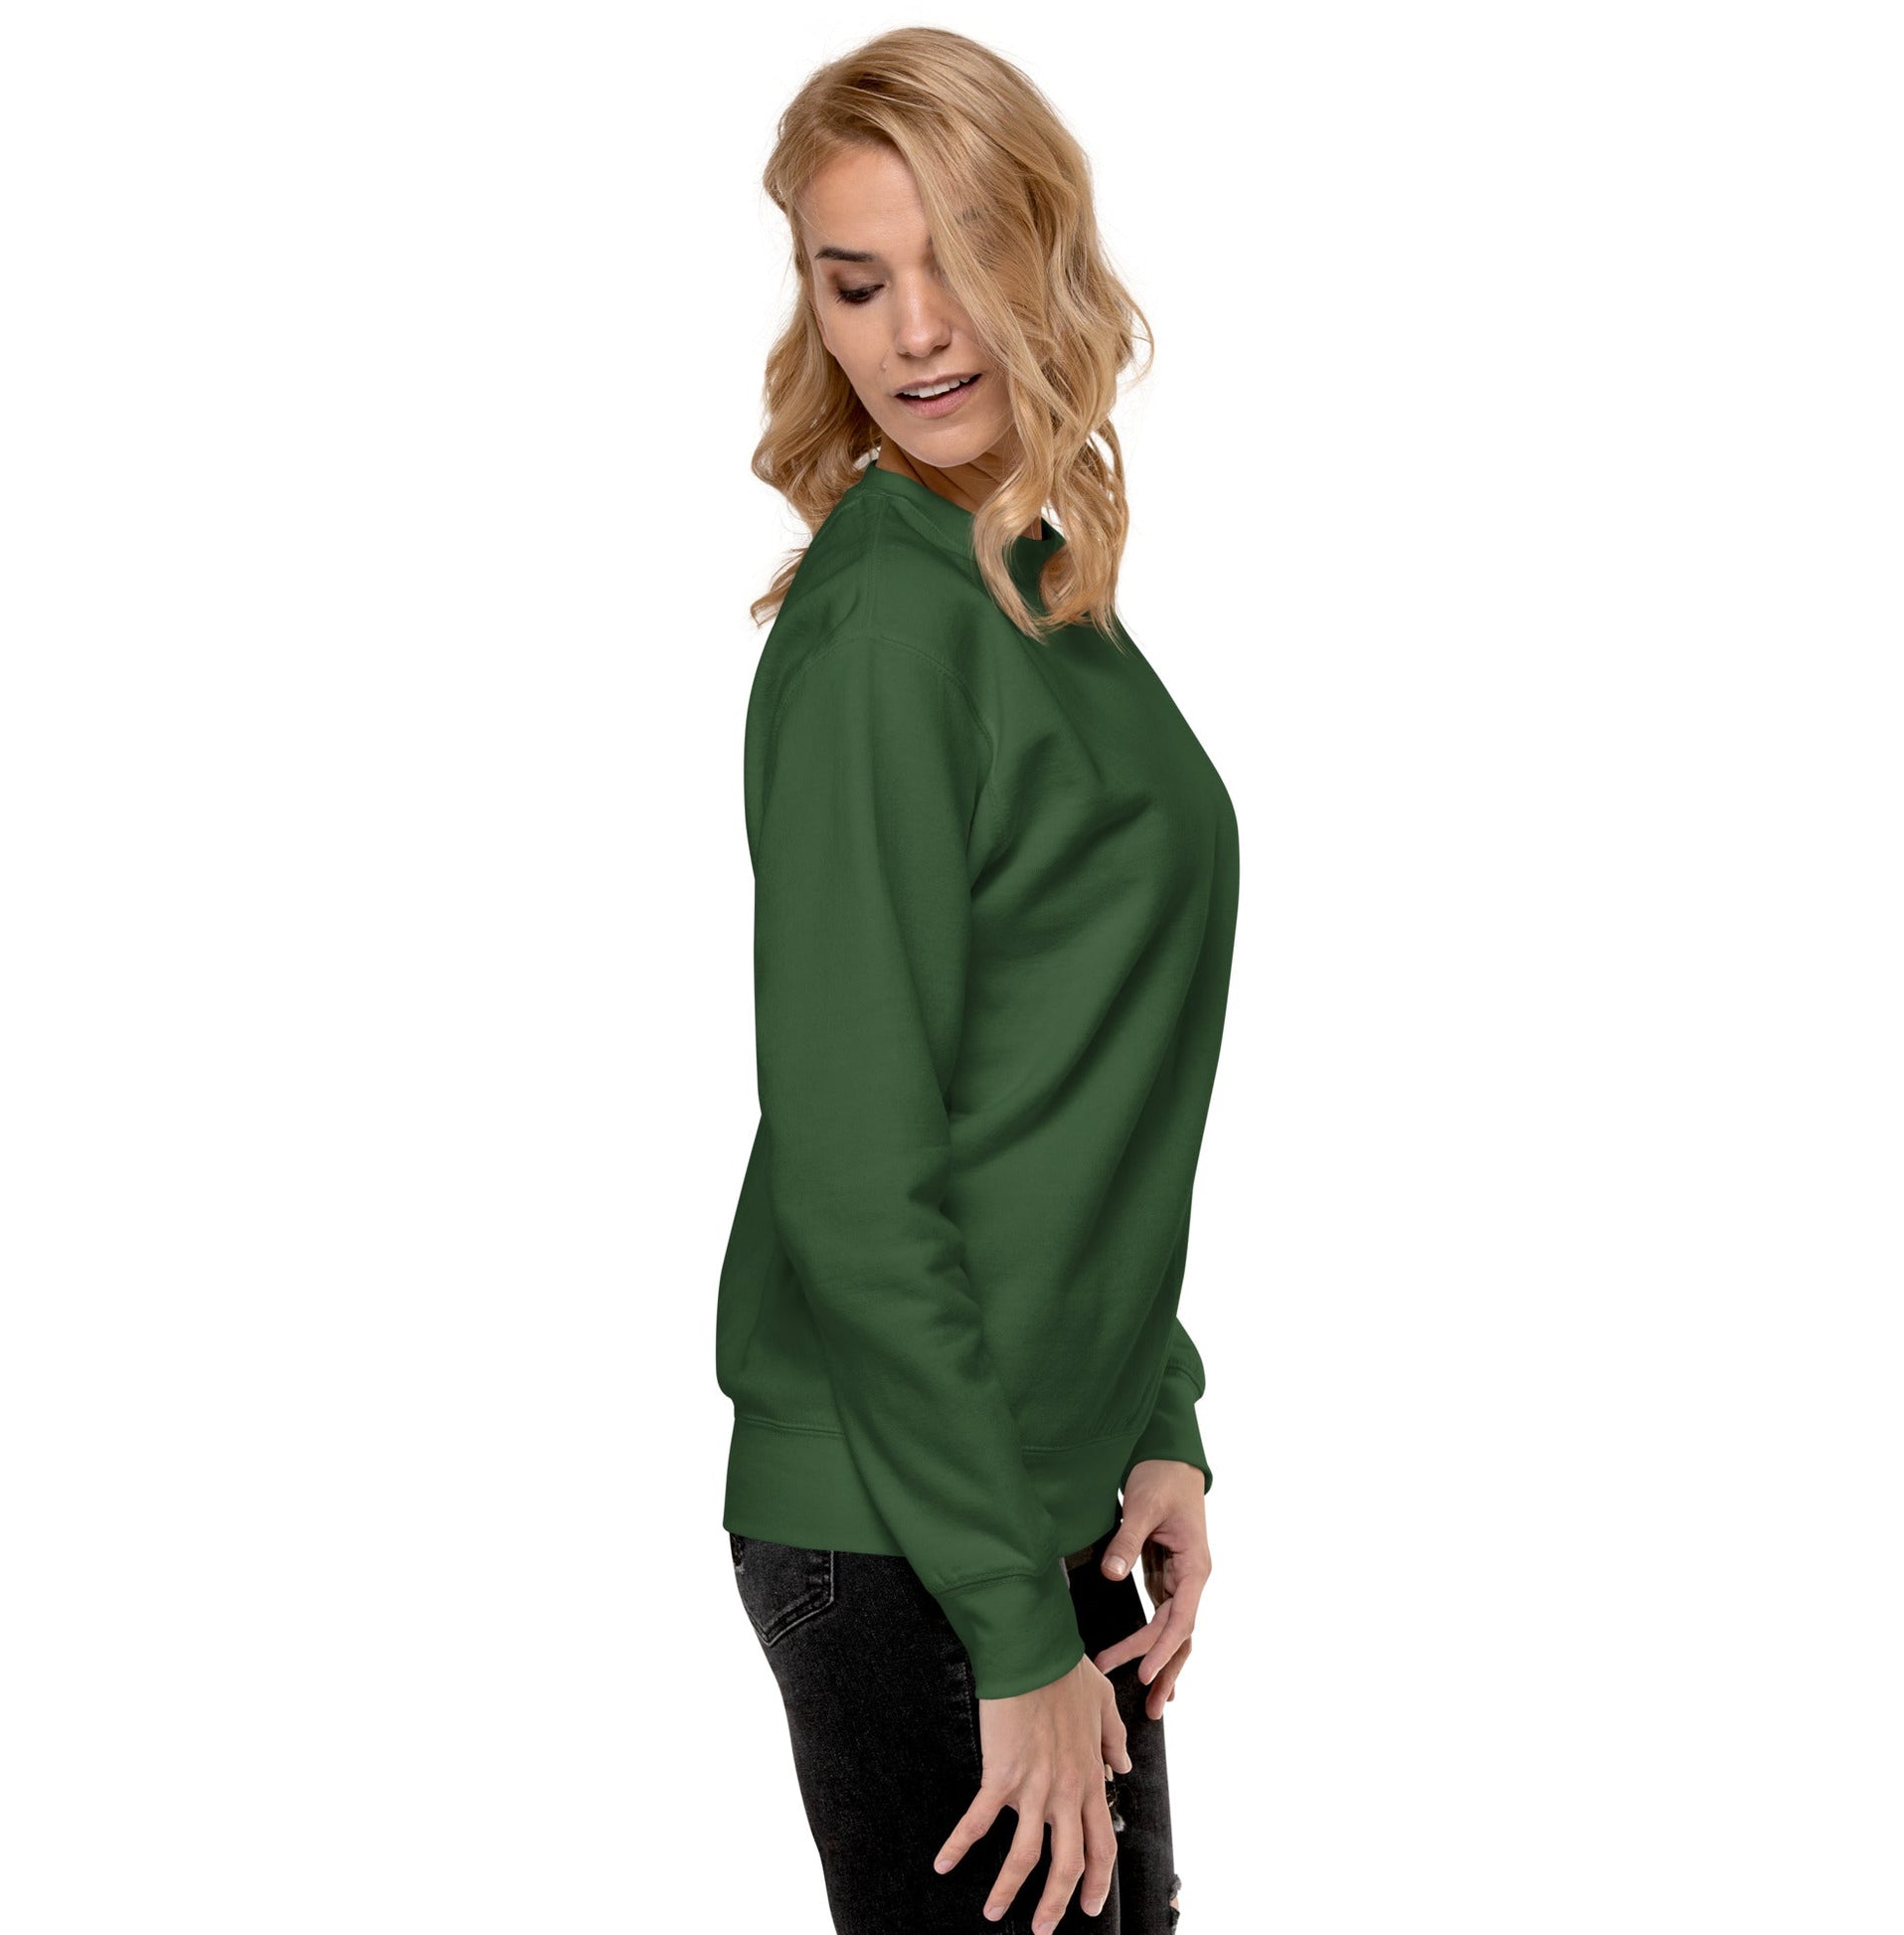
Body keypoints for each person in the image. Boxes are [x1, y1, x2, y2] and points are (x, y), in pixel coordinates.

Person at [715, 28, 1239, 1935]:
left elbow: (1063, 1064)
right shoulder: (885, 627)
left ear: (1045, 254)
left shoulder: (1022, 573)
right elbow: (859, 1178)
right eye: (856, 281)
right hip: (919, 1530)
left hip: (1030, 1485)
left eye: (958, 261)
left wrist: (1155, 1407)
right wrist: (1013, 1627)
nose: (917, 332)